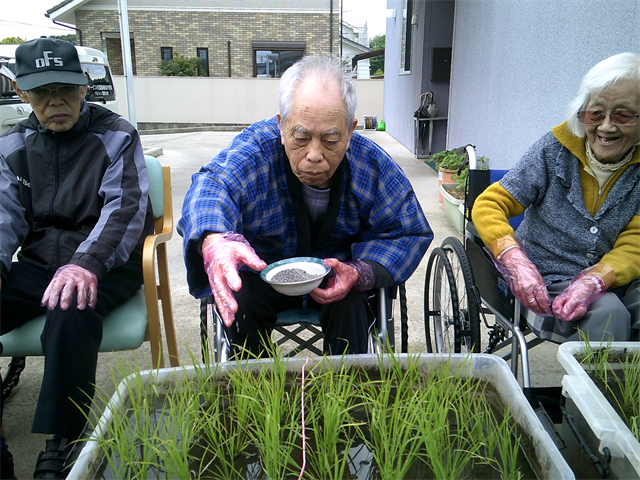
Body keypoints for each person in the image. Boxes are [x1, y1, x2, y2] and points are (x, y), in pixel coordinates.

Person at [179, 55, 432, 356]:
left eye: (330, 139)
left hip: (336, 276)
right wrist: (215, 238)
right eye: (300, 136)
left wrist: (360, 271)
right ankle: (252, 396)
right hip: (262, 276)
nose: (314, 154)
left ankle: (348, 396)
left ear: (350, 132)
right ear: (281, 126)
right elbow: (212, 185)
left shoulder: (372, 166)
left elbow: (408, 230)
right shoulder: (255, 151)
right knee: (238, 300)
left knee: (353, 300)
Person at [0, 38, 153, 479]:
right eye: (42, 92)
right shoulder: (14, 144)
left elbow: (125, 208)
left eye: (65, 90)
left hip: (106, 261)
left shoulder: (116, 134)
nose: (56, 102)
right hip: (37, 264)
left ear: (84, 88)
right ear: (22, 92)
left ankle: (61, 440)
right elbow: (4, 217)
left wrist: (85, 263)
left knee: (71, 305)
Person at [473, 52, 640, 343]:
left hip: (619, 274)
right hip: (547, 275)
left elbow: (635, 240)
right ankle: (595, 390)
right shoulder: (554, 150)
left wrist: (596, 277)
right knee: (608, 314)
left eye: (623, 115)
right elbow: (490, 204)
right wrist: (514, 259)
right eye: (595, 113)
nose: (606, 126)